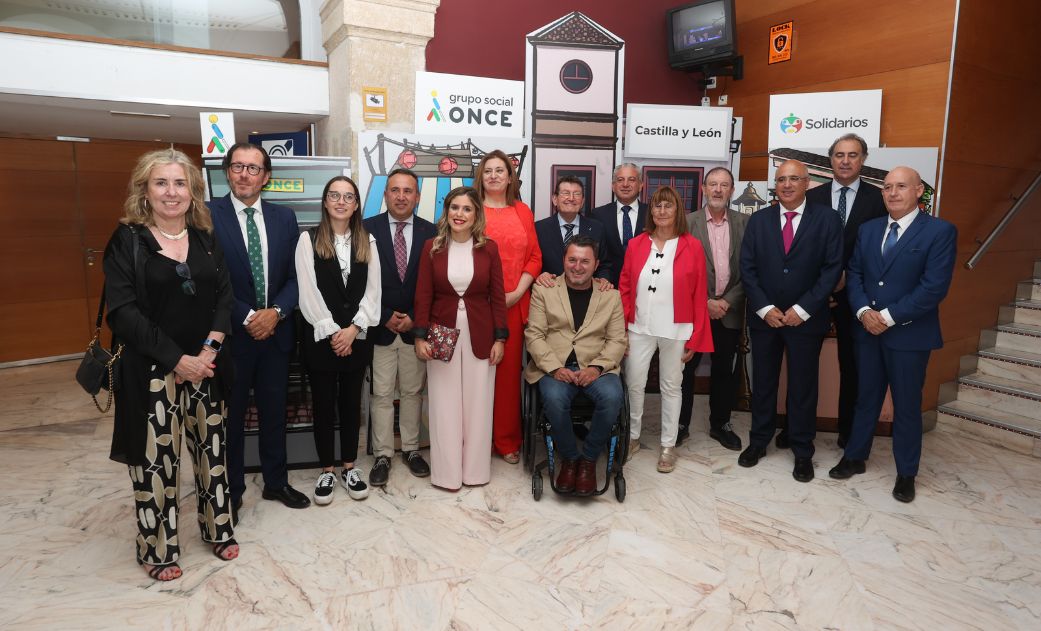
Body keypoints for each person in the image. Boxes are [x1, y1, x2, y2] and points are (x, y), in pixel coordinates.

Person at [103, 148, 237, 581]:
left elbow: (224, 298)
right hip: (153, 372)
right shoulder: (127, 241)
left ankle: (218, 528)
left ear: (193, 191)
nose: (171, 192)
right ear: (145, 190)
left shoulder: (204, 237)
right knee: (157, 464)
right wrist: (179, 360)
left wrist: (208, 353)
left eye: (180, 183)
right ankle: (156, 548)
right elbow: (123, 313)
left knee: (211, 454)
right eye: (162, 182)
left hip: (207, 367)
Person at [829, 167, 956, 503]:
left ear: (919, 192)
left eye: (901, 186)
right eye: (887, 187)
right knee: (865, 398)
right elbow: (854, 273)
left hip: (909, 336)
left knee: (907, 406)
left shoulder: (939, 232)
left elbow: (933, 288)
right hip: (867, 331)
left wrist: (886, 316)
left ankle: (906, 472)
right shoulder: (870, 230)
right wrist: (861, 312)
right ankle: (855, 457)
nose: (893, 193)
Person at [210, 143, 309, 511]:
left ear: (266, 177)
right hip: (233, 337)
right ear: (227, 172)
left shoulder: (285, 217)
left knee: (273, 413)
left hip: (277, 335)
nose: (244, 175)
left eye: (253, 168)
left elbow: (297, 277)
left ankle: (276, 482)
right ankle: (232, 491)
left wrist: (277, 312)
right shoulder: (206, 215)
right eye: (237, 166)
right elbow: (210, 282)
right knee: (231, 419)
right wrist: (250, 317)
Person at [737, 159, 843, 482]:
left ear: (807, 182)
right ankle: (759, 441)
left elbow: (832, 269)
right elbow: (748, 267)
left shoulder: (827, 219)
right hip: (765, 320)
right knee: (764, 382)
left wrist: (804, 308)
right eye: (781, 179)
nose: (786, 184)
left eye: (794, 178)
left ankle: (801, 450)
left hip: (806, 321)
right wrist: (765, 308)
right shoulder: (759, 220)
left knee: (802, 387)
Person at [412, 187, 508, 490]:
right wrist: (419, 336)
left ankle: (476, 473)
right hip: (441, 333)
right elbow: (423, 294)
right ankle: (446, 474)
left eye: (467, 209)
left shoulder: (489, 248)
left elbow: (497, 295)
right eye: (454, 207)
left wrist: (500, 339)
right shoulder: (432, 247)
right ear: (446, 211)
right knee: (443, 403)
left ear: (476, 214)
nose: (459, 214)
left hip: (481, 333)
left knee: (479, 404)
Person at [295, 176, 381, 504]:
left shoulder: (367, 241)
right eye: (335, 195)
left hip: (356, 338)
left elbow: (374, 291)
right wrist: (333, 330)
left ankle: (349, 466)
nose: (341, 201)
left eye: (348, 196)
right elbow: (308, 292)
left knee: (350, 406)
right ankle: (327, 470)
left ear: (356, 204)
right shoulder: (309, 239)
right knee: (323, 405)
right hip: (322, 338)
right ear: (326, 202)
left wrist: (354, 329)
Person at [619, 185, 713, 473]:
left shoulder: (691, 245)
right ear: (652, 211)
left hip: (677, 327)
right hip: (639, 326)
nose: (661, 211)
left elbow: (699, 292)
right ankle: (633, 438)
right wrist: (621, 327)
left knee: (671, 387)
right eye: (657, 206)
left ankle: (667, 446)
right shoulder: (636, 244)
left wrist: (695, 336)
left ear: (677, 211)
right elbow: (624, 286)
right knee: (634, 383)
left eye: (668, 206)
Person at [524, 235, 627, 495]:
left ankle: (589, 460)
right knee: (555, 400)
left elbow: (617, 340)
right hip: (554, 366)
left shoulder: (610, 296)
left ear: (596, 265)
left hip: (597, 366)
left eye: (584, 261)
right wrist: (555, 369)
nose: (577, 266)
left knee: (613, 397)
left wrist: (597, 368)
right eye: (572, 260)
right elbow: (534, 335)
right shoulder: (543, 290)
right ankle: (570, 459)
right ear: (563, 261)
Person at [805, 133, 886, 448]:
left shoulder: (878, 200)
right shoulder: (812, 197)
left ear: (863, 159)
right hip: (816, 294)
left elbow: (879, 254)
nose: (845, 160)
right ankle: (800, 428)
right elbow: (805, 250)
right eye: (839, 154)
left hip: (859, 297)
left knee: (853, 366)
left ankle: (848, 431)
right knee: (803, 363)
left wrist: (847, 280)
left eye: (853, 155)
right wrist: (820, 285)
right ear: (831, 159)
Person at [363, 168, 437, 486]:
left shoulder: (432, 232)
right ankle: (382, 454)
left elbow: (434, 284)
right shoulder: (366, 229)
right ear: (386, 194)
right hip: (380, 326)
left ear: (417, 197)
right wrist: (383, 314)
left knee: (411, 392)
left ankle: (409, 449)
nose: (401, 196)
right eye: (395, 190)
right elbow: (358, 282)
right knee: (380, 393)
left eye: (408, 191)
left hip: (414, 327)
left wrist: (415, 320)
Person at [474, 150, 541, 464]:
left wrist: (518, 291)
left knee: (507, 376)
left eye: (500, 170)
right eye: (488, 171)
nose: (494, 176)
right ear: (481, 177)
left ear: (510, 177)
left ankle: (506, 440)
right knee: (476, 375)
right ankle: (477, 441)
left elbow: (535, 257)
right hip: (475, 305)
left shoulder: (523, 211)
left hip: (514, 303)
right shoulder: (471, 210)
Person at [679, 167, 748, 451]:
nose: (718, 190)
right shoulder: (686, 222)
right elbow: (679, 269)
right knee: (685, 369)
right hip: (695, 310)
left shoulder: (747, 223)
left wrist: (727, 301)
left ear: (732, 190)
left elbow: (751, 270)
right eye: (713, 185)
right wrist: (704, 302)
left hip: (729, 310)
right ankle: (680, 424)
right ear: (704, 189)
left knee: (724, 370)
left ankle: (720, 424)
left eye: (724, 185)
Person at [534, 176, 612, 287]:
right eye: (566, 193)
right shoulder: (539, 229)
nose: (571, 198)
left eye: (577, 194)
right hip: (551, 293)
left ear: (582, 201)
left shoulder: (597, 228)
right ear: (555, 199)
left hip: (587, 293)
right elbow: (533, 262)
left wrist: (604, 279)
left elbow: (604, 264)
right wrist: (540, 274)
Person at [592, 164, 648, 287]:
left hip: (644, 286)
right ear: (613, 186)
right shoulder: (598, 215)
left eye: (631, 180)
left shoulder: (652, 215)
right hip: (607, 286)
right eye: (620, 180)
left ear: (640, 185)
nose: (625, 184)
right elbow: (594, 253)